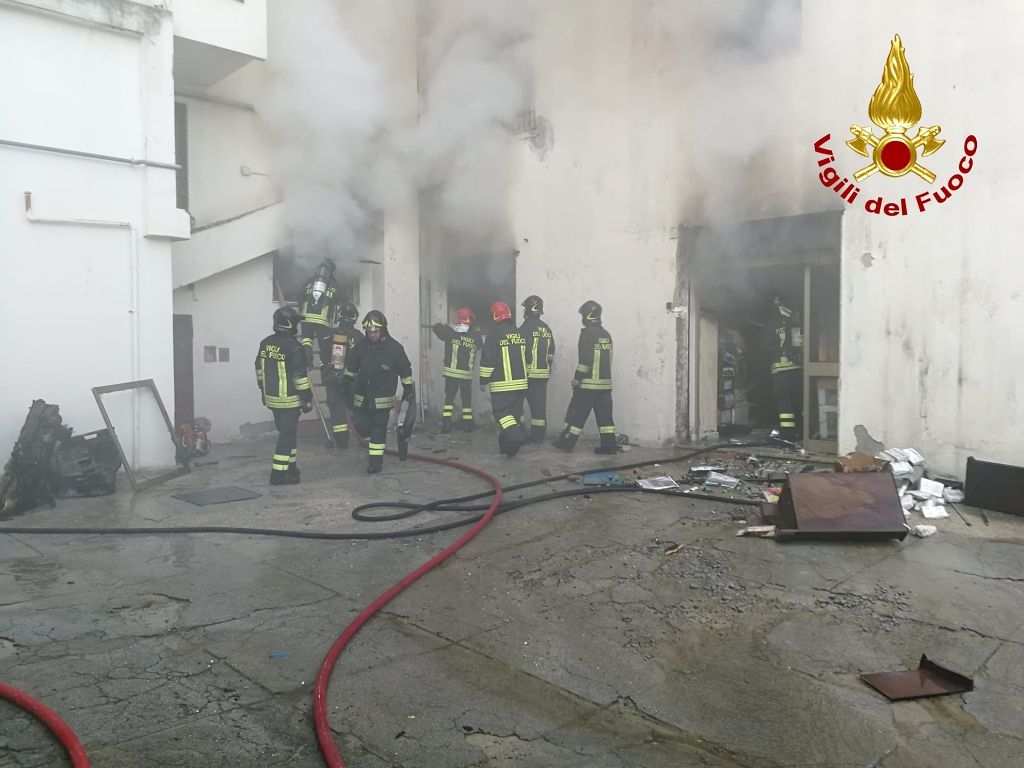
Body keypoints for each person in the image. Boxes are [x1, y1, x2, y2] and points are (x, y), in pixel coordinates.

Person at [343, 310, 415, 474]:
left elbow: (405, 370)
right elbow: (352, 367)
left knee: (378, 429)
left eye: (375, 331)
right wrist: (346, 384)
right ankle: (370, 445)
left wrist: (408, 389)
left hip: (382, 397)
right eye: (369, 332)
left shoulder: (394, 348)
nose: (372, 335)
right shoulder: (361, 346)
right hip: (362, 396)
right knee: (362, 427)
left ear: (383, 330)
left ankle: (375, 462)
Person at [255, 306, 312, 485]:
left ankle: (290, 467)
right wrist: (307, 398)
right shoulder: (295, 347)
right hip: (289, 401)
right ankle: (278, 474)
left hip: (272, 399)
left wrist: (264, 391)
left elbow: (259, 370)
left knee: (288, 434)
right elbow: (299, 377)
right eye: (295, 322)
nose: (297, 325)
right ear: (288, 324)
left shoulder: (265, 343)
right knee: (286, 437)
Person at [553, 300, 618, 454]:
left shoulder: (587, 334)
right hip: (605, 385)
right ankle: (609, 446)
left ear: (587, 315)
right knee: (605, 419)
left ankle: (567, 442)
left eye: (582, 314)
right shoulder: (606, 335)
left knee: (577, 415)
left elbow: (586, 360)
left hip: (588, 385)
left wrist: (577, 378)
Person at [478, 301, 528, 457]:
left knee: (502, 414)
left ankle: (516, 437)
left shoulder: (494, 334)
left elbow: (488, 360)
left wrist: (483, 380)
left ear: (494, 315)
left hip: (503, 384)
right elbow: (527, 357)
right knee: (513, 415)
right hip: (521, 384)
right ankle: (508, 448)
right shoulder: (519, 332)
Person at [432, 307, 483, 433]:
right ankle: (467, 425)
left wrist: (448, 327)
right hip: (466, 374)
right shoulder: (476, 336)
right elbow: (479, 345)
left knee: (449, 398)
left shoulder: (450, 332)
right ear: (469, 319)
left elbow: (436, 327)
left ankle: (446, 424)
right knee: (466, 400)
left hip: (451, 373)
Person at [323, 300, 364, 449]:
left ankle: (342, 443)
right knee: (357, 408)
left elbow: (324, 356)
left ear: (340, 316)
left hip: (334, 380)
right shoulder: (360, 337)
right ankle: (362, 438)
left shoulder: (330, 335)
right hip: (353, 380)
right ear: (354, 317)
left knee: (337, 411)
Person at [518, 294, 555, 443]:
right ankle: (538, 436)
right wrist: (547, 368)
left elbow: (519, 350)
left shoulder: (525, 328)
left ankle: (519, 432)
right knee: (539, 406)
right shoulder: (546, 329)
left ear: (528, 309)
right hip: (542, 375)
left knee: (517, 404)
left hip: (526, 374)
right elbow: (551, 352)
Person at [769, 294, 803, 442]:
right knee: (796, 401)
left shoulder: (774, 322)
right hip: (796, 368)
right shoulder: (795, 320)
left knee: (784, 404)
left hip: (781, 369)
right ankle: (799, 432)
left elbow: (765, 345)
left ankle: (787, 434)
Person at [299, 258, 339, 365]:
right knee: (324, 345)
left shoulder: (309, 282)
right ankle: (324, 366)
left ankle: (307, 357)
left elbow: (300, 297)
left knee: (307, 339)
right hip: (323, 320)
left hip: (306, 318)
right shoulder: (334, 285)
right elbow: (341, 300)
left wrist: (300, 312)